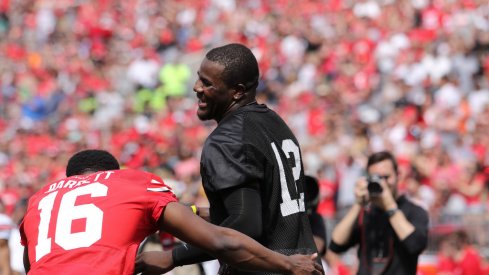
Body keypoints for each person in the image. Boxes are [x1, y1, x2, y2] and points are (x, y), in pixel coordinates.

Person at [140, 43, 320, 274]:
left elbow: (245, 225)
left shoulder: (227, 139)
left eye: (207, 83)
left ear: (237, 91)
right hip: (304, 263)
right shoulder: (275, 123)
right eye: (199, 78)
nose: (197, 88)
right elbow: (264, 210)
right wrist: (196, 213)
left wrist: (173, 256)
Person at [19, 149, 322, 275]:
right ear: (115, 172)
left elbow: (32, 262)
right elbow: (220, 241)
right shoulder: (131, 182)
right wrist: (288, 264)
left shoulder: (38, 201)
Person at [327, 151, 429, 275]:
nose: (382, 183)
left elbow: (416, 245)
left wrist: (390, 206)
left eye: (386, 177)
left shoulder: (415, 211)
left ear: (398, 175)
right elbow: (336, 245)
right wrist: (357, 204)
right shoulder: (366, 212)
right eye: (375, 178)